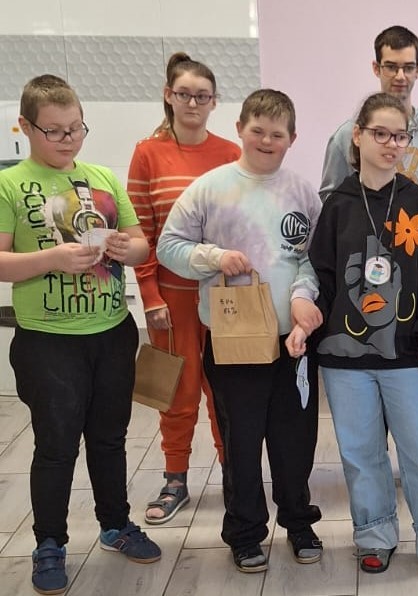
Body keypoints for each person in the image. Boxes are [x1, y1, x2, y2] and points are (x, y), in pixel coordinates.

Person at [0, 74, 161, 595]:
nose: (68, 139)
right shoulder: (9, 184)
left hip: (111, 331)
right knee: (57, 444)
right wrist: (52, 258)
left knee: (110, 438)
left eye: (76, 127)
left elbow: (141, 244)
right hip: (48, 339)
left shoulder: (102, 178)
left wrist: (126, 248)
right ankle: (49, 542)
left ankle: (115, 524)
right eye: (54, 130)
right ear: (25, 127)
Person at [295, 92, 418, 584]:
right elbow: (323, 276)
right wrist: (307, 324)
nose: (391, 144)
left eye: (400, 136)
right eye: (381, 134)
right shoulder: (338, 205)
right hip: (342, 354)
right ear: (358, 136)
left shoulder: (417, 202)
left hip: (404, 352)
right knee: (360, 452)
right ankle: (374, 535)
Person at [156, 89, 324, 573]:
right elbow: (168, 246)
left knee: (295, 442)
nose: (267, 141)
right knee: (241, 442)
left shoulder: (302, 193)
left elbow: (314, 259)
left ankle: (298, 521)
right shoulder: (210, 189)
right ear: (240, 130)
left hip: (293, 342)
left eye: (277, 134)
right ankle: (246, 532)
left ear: (292, 138)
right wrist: (213, 257)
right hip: (232, 343)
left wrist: (303, 296)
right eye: (258, 131)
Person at [128, 51, 241, 525]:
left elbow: (239, 229)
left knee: (225, 391)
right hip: (170, 298)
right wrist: (150, 297)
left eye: (202, 96)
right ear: (168, 96)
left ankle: (235, 477)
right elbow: (141, 231)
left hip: (223, 295)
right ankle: (175, 477)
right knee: (176, 389)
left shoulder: (230, 154)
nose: (193, 103)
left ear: (214, 101)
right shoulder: (147, 153)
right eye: (184, 94)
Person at [319, 25, 418, 215]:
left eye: (408, 68)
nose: (400, 76)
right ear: (376, 68)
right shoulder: (346, 135)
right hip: (364, 233)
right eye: (391, 67)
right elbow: (329, 198)